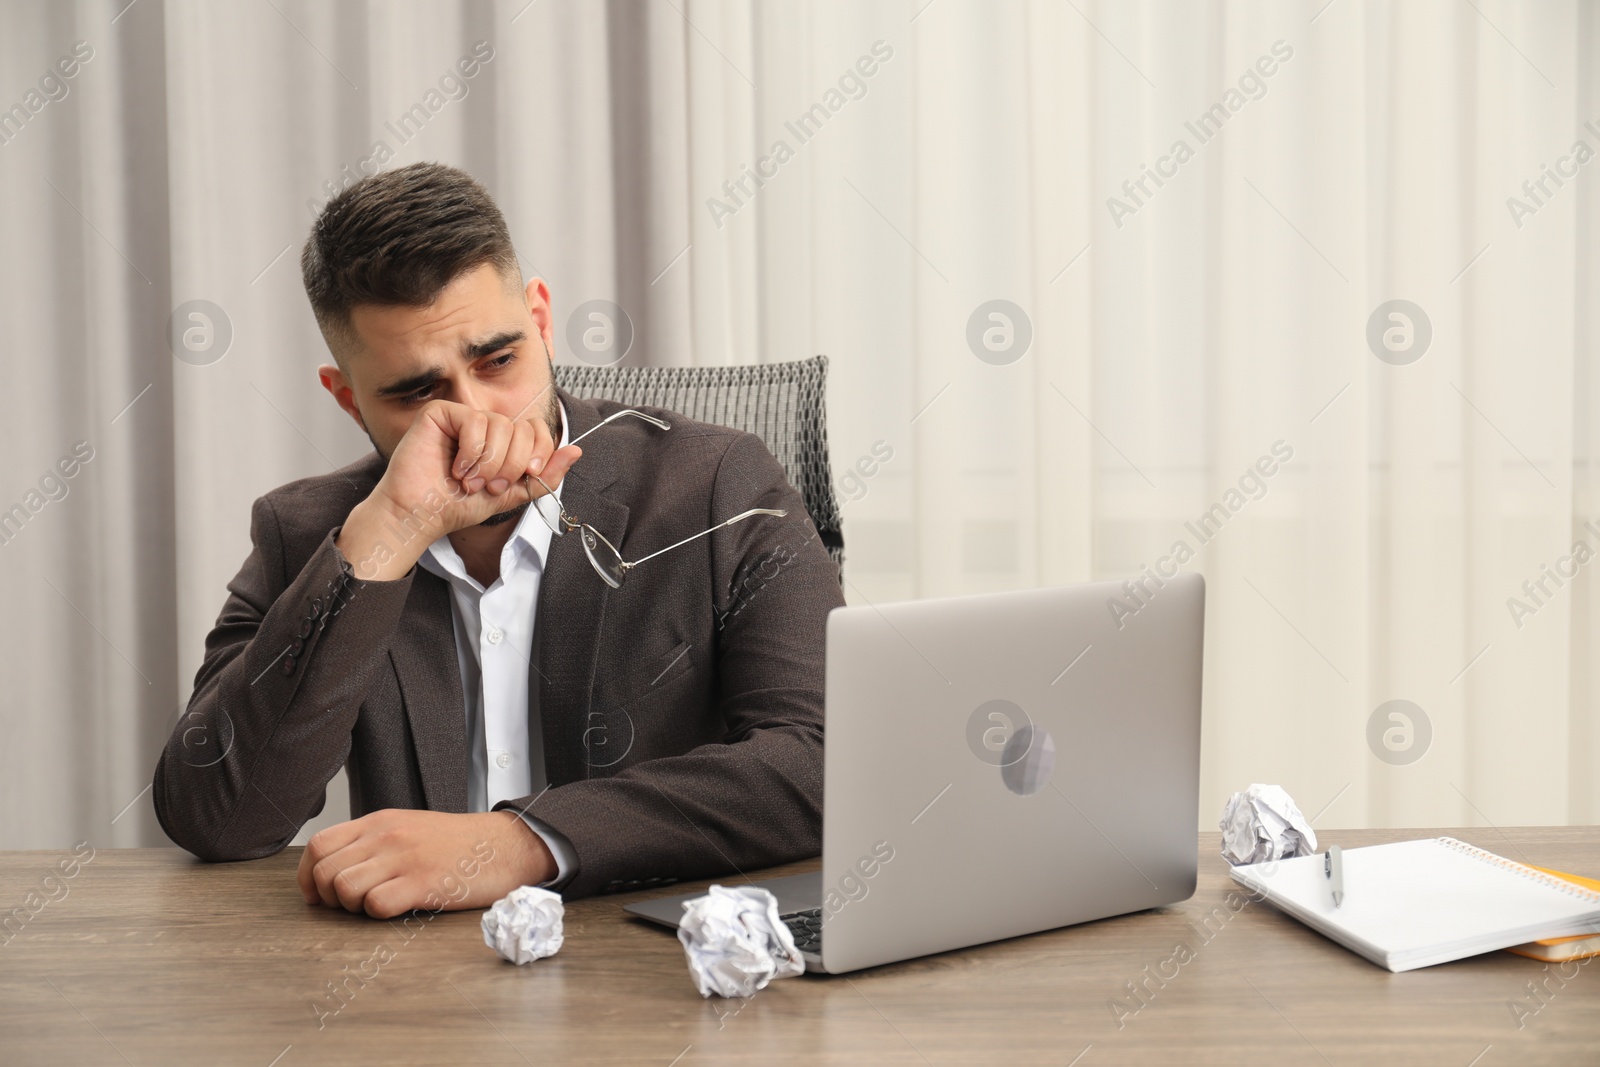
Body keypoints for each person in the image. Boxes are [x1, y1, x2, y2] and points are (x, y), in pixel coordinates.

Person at [153, 162, 843, 917]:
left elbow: (823, 761)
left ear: (541, 322)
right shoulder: (312, 535)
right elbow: (217, 817)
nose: (473, 417)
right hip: (419, 991)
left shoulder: (718, 484)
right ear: (348, 398)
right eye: (416, 391)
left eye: (498, 360)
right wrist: (389, 535)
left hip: (655, 975)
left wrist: (517, 843)